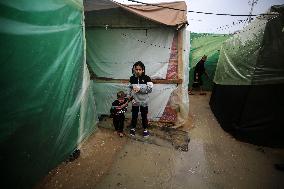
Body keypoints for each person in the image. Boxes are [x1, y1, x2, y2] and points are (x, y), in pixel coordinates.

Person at [128, 61, 153, 137]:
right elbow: (129, 87)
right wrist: (129, 96)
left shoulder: (147, 78)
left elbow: (150, 89)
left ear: (143, 70)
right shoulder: (132, 78)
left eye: (140, 69)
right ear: (134, 70)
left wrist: (140, 88)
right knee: (134, 115)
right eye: (136, 69)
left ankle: (145, 129)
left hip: (144, 102)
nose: (138, 71)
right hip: (135, 101)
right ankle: (133, 128)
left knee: (144, 115)